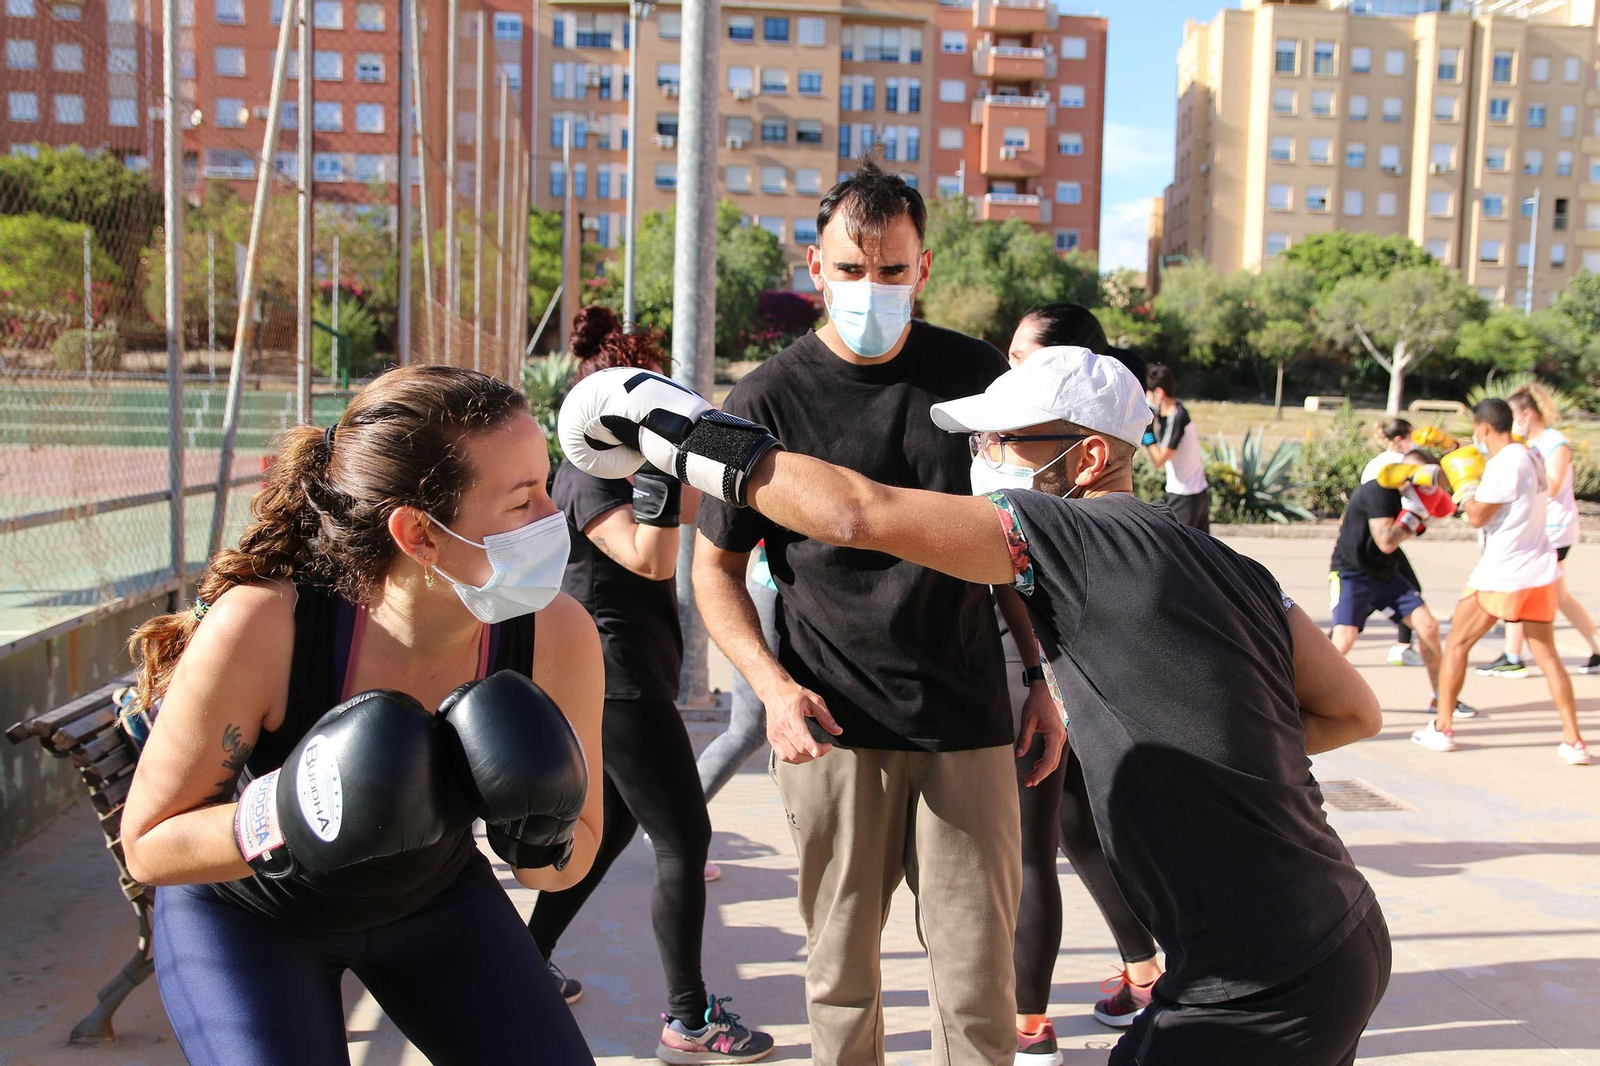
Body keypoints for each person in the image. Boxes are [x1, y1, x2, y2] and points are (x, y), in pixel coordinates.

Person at [560, 346, 1393, 1066]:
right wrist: (1213, 757)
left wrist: (677, 426)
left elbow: (857, 512)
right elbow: (1354, 712)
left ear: (1091, 457)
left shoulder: (1070, 533)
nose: (987, 456)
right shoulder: (1230, 564)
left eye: (1008, 439)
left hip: (1252, 979)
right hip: (1343, 929)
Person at [691, 154, 1062, 1066]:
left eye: (892, 269)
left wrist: (1040, 676)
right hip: (832, 729)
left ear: (923, 267)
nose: (872, 287)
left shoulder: (976, 378)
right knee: (841, 979)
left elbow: (1013, 543)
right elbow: (715, 570)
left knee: (979, 987)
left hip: (967, 720)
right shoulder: (761, 401)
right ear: (814, 268)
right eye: (852, 269)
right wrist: (771, 689)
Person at [120, 365, 602, 1066]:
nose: (554, 519)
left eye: (548, 488)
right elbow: (148, 844)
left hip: (433, 901)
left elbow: (567, 864)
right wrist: (288, 812)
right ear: (419, 533)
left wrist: (542, 835)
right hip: (252, 919)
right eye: (522, 500)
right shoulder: (268, 625)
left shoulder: (556, 635)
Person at [527, 307, 773, 1063]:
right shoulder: (584, 472)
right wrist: (664, 472)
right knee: (684, 839)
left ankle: (523, 963)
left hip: (633, 674)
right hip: (617, 680)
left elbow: (701, 507)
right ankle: (688, 1019)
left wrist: (708, 453)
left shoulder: (633, 463)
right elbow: (650, 558)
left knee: (611, 834)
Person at [1000, 306, 1164, 1058]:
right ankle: (1146, 971)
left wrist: (1042, 679)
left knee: (1033, 849)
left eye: (1022, 361)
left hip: (1047, 674)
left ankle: (1027, 1025)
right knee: (1075, 829)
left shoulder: (1052, 499)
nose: (1007, 372)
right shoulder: (1107, 495)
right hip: (1067, 675)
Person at [1415, 399, 1592, 765]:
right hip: (1539, 570)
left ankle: (1443, 728)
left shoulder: (1505, 464)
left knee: (1457, 644)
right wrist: (1453, 448)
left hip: (1502, 572)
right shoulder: (1531, 455)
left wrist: (1465, 489)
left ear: (1483, 428)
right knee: (1549, 658)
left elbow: (1477, 516)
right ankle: (1574, 741)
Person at [1329, 450, 1476, 719]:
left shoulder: (1410, 496)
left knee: (1428, 627)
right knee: (1343, 638)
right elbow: (1386, 541)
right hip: (1352, 573)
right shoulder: (1378, 491)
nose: (1426, 487)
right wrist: (1414, 514)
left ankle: (1442, 698)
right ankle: (1299, 698)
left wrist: (1420, 515)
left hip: (1386, 574)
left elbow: (1398, 540)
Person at [1478, 385, 1600, 678]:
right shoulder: (1522, 447)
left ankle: (1513, 656)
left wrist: (1523, 468)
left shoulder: (1554, 443)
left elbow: (1553, 485)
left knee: (1522, 587)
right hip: (1535, 530)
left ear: (1527, 414)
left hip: (1553, 530)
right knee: (1554, 594)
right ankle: (1514, 655)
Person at [1360, 418, 1425, 666]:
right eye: (1412, 436)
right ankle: (1402, 647)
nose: (1416, 441)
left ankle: (1403, 645)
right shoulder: (1399, 464)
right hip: (1378, 537)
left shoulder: (1377, 462)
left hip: (1372, 535)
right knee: (1405, 590)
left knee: (1398, 591)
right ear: (1400, 439)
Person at [1143, 363, 1210, 532]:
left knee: (1176, 547)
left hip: (1185, 496)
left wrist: (1146, 432)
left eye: (1147, 394)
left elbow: (1159, 460)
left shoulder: (1176, 417)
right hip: (1193, 493)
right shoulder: (1172, 413)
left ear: (1159, 393)